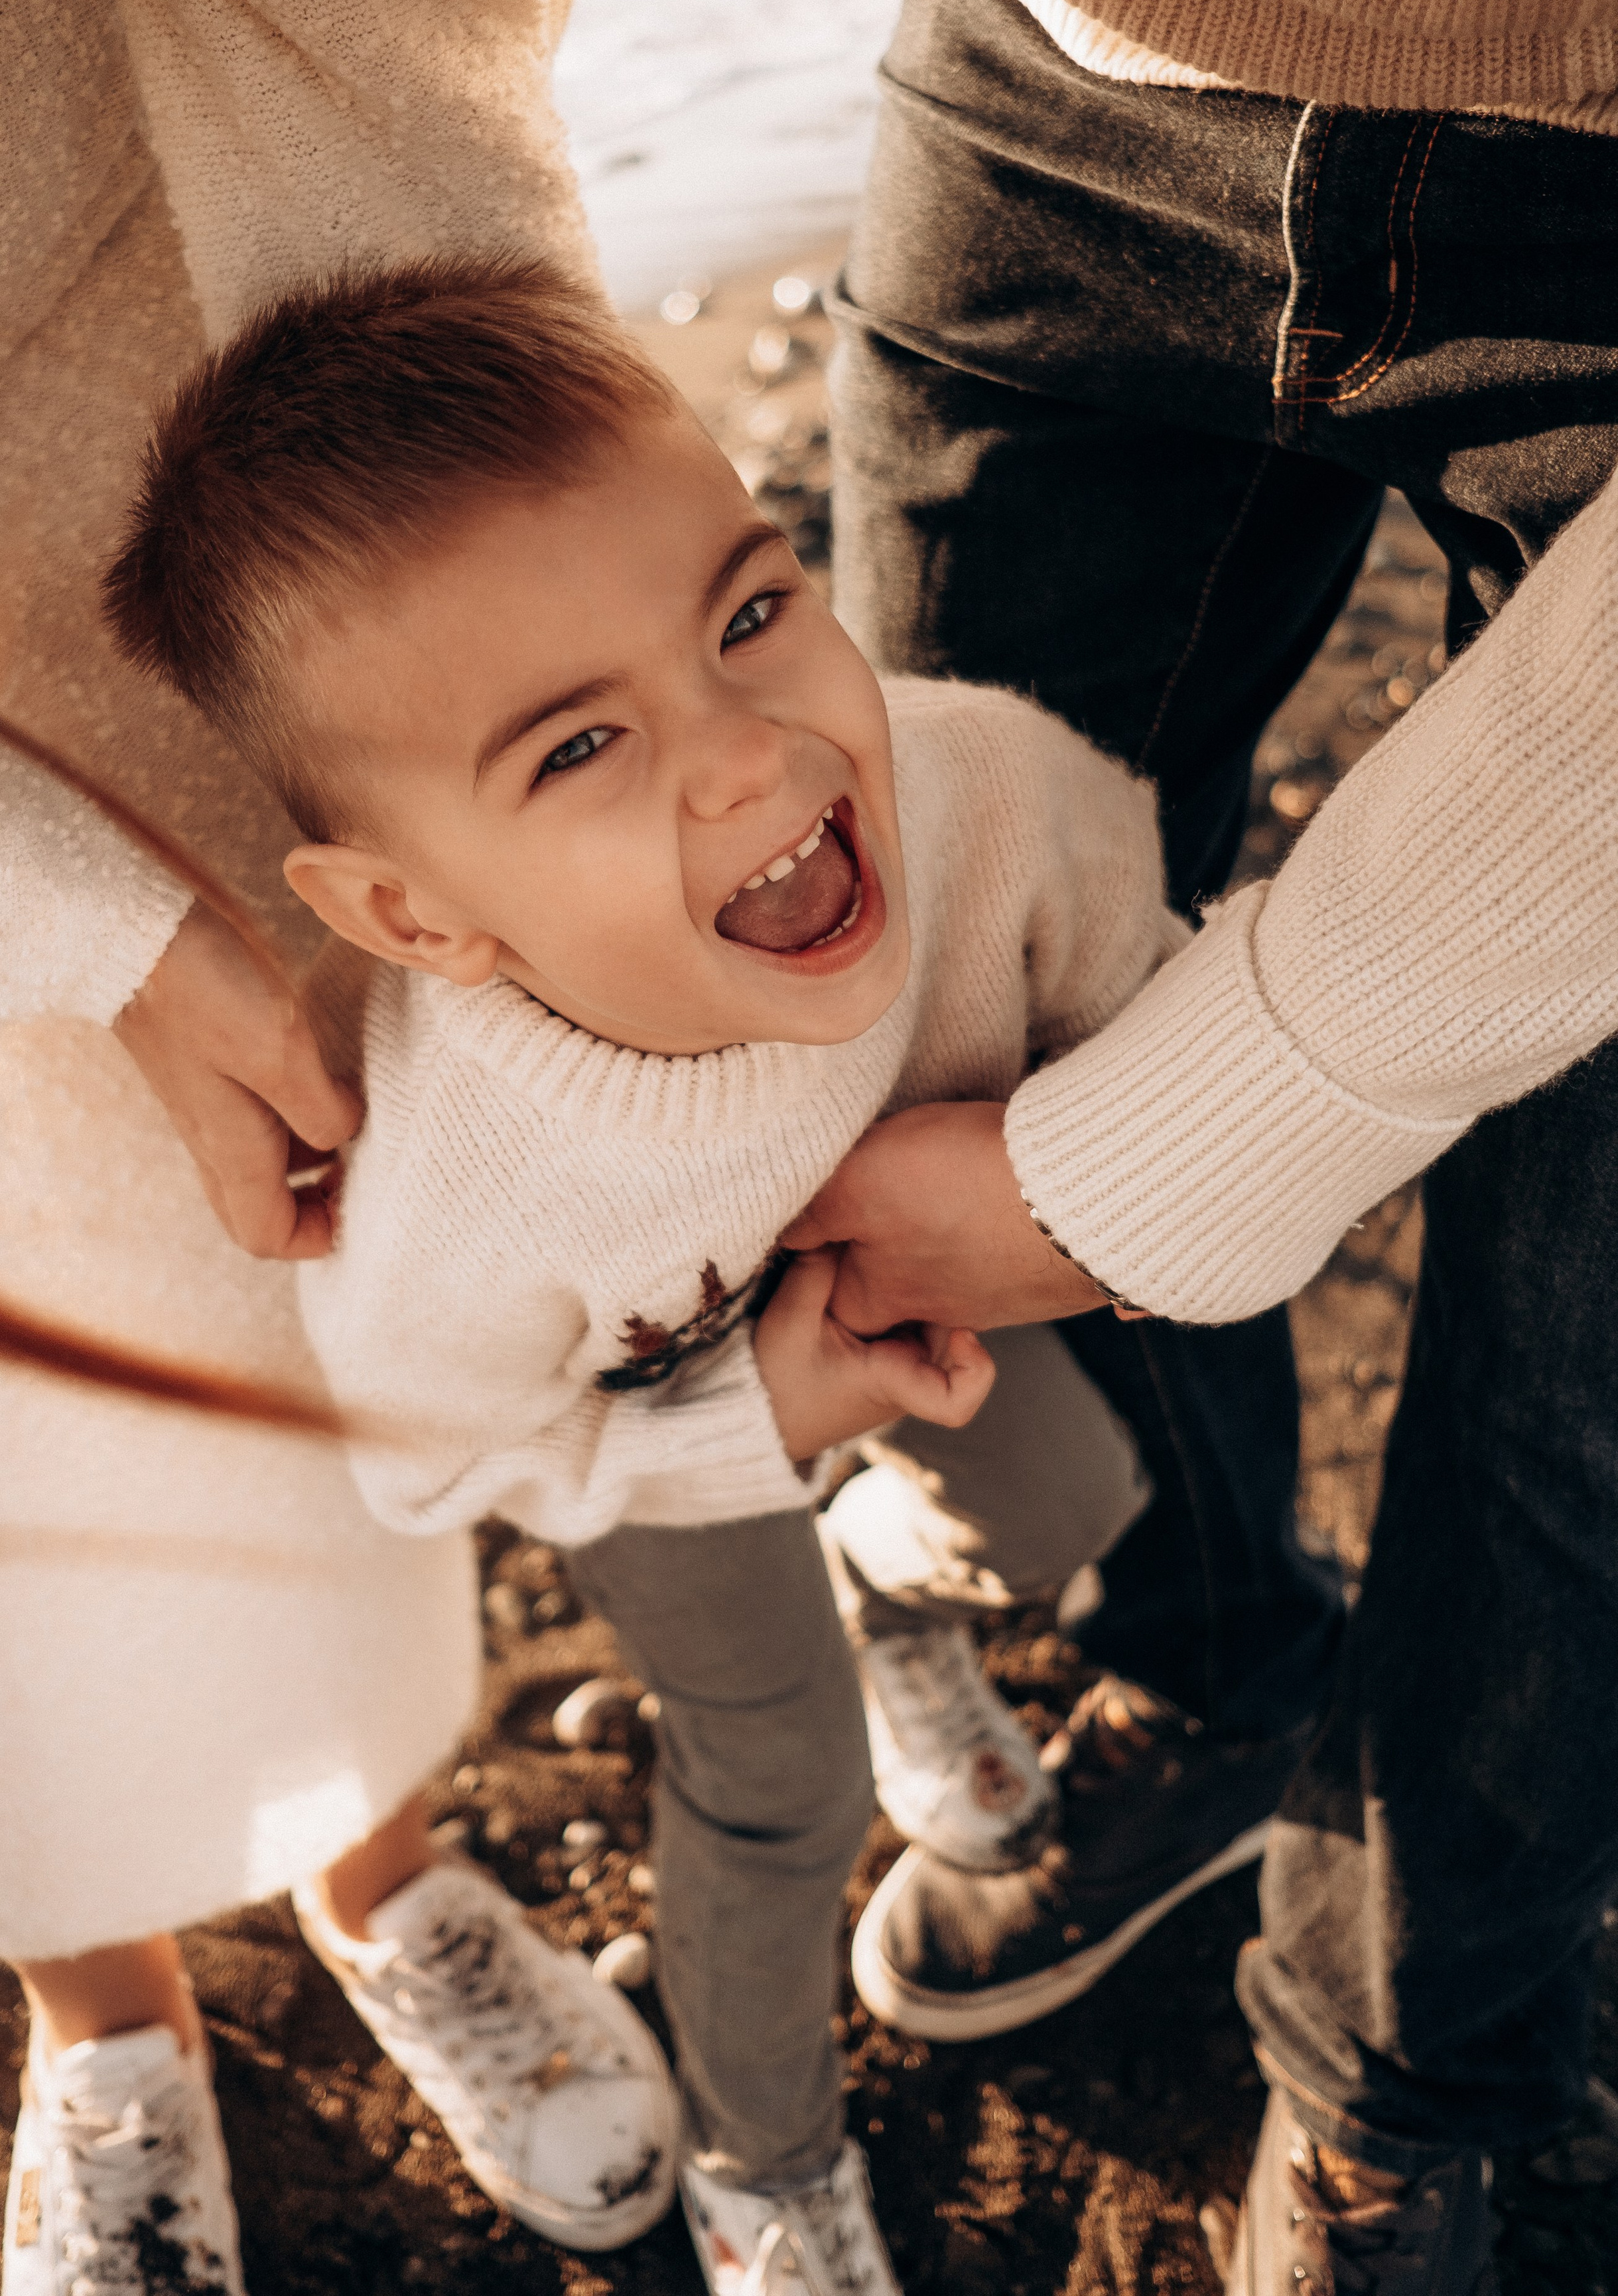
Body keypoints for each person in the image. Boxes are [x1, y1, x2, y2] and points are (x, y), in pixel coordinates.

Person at [100, 248, 1187, 2296]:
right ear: (413, 915)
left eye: (754, 616)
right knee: (770, 1777)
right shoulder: (455, 1189)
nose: (753, 759)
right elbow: (435, 1465)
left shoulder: (970, 791)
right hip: (648, 1440)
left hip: (927, 1271)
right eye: (576, 753)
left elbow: (1142, 952)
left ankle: (901, 1585)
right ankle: (765, 2165)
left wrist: (1116, 1159)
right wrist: (748, 1419)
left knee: (1068, 1513)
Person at [793, 0, 1618, 2289]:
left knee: (1583, 1337)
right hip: (1054, 28)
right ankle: (1209, 1654)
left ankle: (1403, 2081)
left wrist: (1162, 1156)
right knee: (918, 987)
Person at [0, 0, 691, 2291]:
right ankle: (100, 2017)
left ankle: (382, 1861)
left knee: (310, 1318)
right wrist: (63, 928)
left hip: (199, 512)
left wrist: (539, 677)